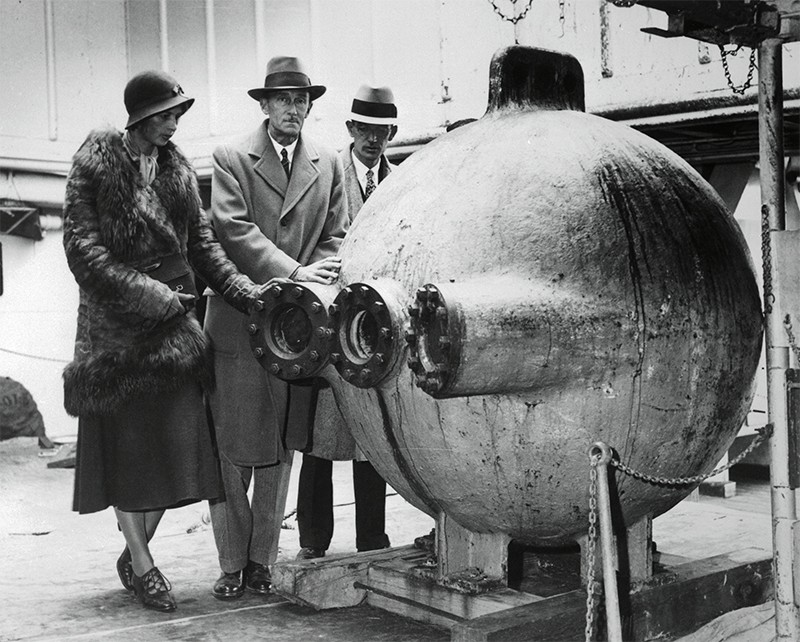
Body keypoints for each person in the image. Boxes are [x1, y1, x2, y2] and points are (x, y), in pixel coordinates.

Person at [62, 70, 274, 613]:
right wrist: (151, 294)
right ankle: (146, 565)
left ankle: (135, 554)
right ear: (138, 118)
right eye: (165, 115)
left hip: (175, 333)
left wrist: (246, 292)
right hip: (118, 338)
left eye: (178, 114)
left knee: (180, 453)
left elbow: (203, 244)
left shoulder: (177, 168)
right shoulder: (94, 167)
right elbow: (83, 252)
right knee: (130, 459)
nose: (175, 123)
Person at [204, 56, 348, 600]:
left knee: (280, 448)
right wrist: (293, 272)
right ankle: (229, 561)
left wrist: (313, 280)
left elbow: (337, 235)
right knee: (233, 449)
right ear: (264, 105)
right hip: (240, 320)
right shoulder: (230, 157)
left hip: (296, 326)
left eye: (303, 98)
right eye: (284, 99)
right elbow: (232, 229)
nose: (295, 108)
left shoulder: (328, 162)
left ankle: (262, 560)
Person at [294, 85, 398, 561]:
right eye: (364, 129)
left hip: (374, 327)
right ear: (350, 130)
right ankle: (313, 540)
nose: (373, 139)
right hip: (329, 320)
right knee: (320, 439)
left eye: (382, 131)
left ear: (391, 133)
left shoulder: (398, 182)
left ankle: (372, 538)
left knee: (372, 438)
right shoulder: (326, 172)